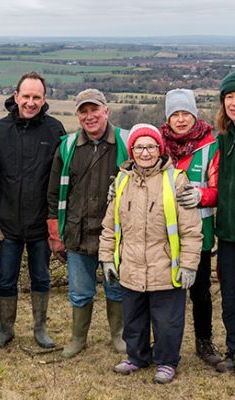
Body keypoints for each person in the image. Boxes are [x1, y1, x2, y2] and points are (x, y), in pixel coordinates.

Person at [99, 123, 203, 384]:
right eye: (139, 147)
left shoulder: (176, 180)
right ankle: (136, 357)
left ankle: (167, 362)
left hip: (166, 267)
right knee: (134, 319)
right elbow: (109, 225)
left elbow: (191, 229)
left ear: (160, 149)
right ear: (131, 150)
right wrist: (107, 258)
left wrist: (189, 265)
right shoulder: (121, 181)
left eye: (151, 147)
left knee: (167, 322)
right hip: (131, 266)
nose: (145, 153)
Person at [0, 71, 66, 350]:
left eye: (36, 97)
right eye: (26, 96)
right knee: (6, 278)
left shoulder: (55, 131)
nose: (30, 102)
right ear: (16, 96)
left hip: (41, 224)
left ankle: (40, 329)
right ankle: (5, 330)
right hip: (6, 224)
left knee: (41, 276)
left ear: (44, 99)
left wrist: (57, 222)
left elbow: (63, 179)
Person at [47, 88, 129, 359]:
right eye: (84, 111)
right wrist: (55, 232)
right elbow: (53, 194)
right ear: (78, 115)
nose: (90, 116)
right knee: (80, 291)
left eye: (95, 109)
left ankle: (119, 335)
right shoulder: (67, 147)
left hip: (115, 235)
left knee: (116, 288)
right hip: (77, 231)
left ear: (107, 110)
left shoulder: (125, 143)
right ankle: (78, 338)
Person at [160, 88, 221, 366]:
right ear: (168, 118)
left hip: (200, 235)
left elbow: (221, 189)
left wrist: (202, 196)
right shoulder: (158, 145)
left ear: (195, 116)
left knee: (199, 292)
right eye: (175, 114)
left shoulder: (210, 147)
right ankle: (163, 342)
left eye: (186, 113)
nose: (181, 119)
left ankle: (204, 341)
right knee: (164, 294)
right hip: (163, 233)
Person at [215, 71, 235, 373]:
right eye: (229, 96)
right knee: (230, 296)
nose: (234, 102)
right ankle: (233, 351)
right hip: (229, 234)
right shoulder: (221, 140)